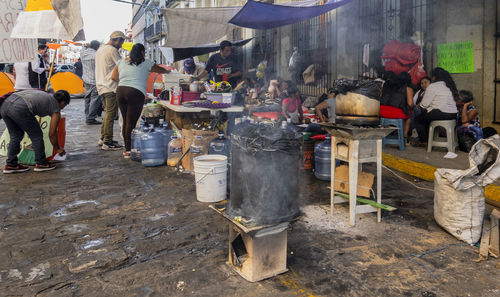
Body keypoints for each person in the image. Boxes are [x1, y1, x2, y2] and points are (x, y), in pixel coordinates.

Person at [111, 43, 170, 159]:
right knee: (131, 122)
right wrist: (168, 72)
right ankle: (128, 150)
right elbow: (161, 70)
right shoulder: (147, 63)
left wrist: (125, 80)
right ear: (143, 52)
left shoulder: (121, 62)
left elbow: (113, 77)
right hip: (135, 92)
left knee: (125, 121)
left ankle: (126, 149)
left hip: (121, 91)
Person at [0, 90, 70, 173]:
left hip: (4, 105)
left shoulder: (46, 96)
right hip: (20, 107)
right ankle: (41, 163)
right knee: (37, 135)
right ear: (63, 102)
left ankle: (11, 165)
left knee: (16, 135)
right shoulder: (55, 107)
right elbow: (52, 133)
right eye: (64, 105)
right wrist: (58, 148)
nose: (63, 107)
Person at [95, 31, 125, 150]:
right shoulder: (112, 50)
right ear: (117, 40)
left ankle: (103, 138)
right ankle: (107, 142)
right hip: (110, 86)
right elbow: (122, 66)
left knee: (107, 113)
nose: (121, 45)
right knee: (110, 114)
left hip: (102, 85)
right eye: (121, 42)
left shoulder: (101, 49)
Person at [414, 67, 458, 145]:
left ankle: (424, 141)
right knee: (426, 117)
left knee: (418, 119)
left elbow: (423, 105)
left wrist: (420, 106)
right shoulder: (449, 86)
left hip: (441, 113)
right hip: (453, 114)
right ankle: (430, 139)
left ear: (434, 77)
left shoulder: (433, 86)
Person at [379, 72, 414, 140]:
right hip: (396, 113)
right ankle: (404, 137)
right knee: (409, 115)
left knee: (404, 111)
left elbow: (380, 97)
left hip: (381, 111)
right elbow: (410, 104)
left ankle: (395, 133)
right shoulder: (408, 89)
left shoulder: (386, 85)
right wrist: (412, 108)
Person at [81, 40, 102, 125]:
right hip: (94, 80)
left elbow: (83, 47)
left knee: (87, 98)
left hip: (86, 79)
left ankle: (87, 115)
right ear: (97, 47)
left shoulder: (82, 53)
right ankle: (91, 118)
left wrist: (86, 45)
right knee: (95, 99)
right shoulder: (97, 55)